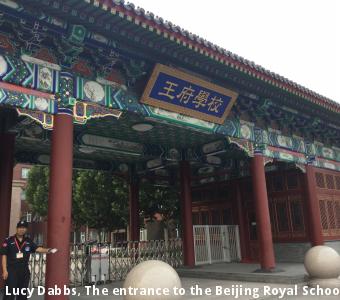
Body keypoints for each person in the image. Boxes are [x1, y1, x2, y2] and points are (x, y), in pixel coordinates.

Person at [0, 220, 58, 300]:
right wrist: (4, 270)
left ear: (26, 230)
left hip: (24, 271)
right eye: (20, 227)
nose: (22, 229)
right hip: (12, 271)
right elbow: (4, 255)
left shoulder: (28, 241)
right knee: (9, 294)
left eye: (24, 228)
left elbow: (37, 249)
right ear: (16, 228)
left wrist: (49, 250)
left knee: (22, 295)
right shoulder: (9, 240)